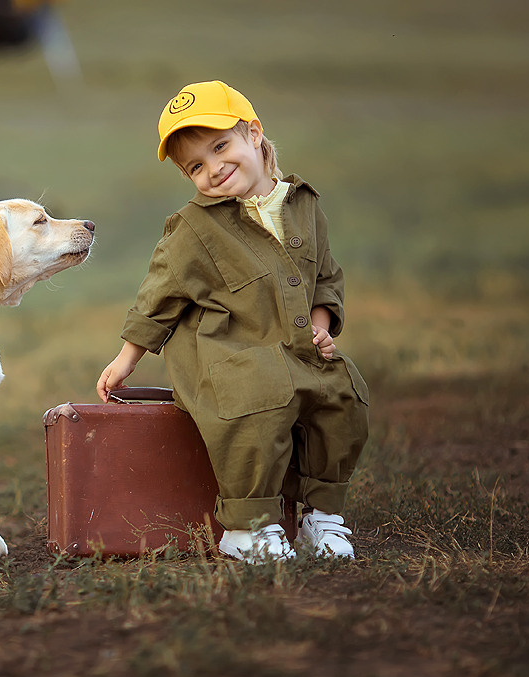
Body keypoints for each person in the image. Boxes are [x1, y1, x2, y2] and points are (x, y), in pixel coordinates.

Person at [96, 80, 370, 564]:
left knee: (344, 397)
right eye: (195, 167)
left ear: (255, 133)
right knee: (256, 407)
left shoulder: (304, 206)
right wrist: (126, 360)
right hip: (229, 355)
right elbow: (158, 294)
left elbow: (326, 276)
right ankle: (247, 529)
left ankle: (319, 516)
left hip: (298, 349)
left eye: (221, 146)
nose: (214, 169)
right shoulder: (194, 227)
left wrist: (322, 325)